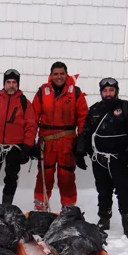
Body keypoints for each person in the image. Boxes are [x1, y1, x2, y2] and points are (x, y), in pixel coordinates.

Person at [75, 77, 128, 240]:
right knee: (103, 190)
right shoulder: (95, 109)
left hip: (120, 158)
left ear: (116, 91)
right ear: (101, 92)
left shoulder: (127, 108)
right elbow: (85, 132)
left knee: (124, 191)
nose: (108, 93)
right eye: (105, 91)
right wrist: (80, 151)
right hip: (100, 159)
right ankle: (104, 219)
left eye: (111, 90)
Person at [31, 61, 89, 211]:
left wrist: (82, 141)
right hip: (47, 142)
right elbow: (32, 118)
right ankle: (41, 207)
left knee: (67, 177)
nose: (59, 77)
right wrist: (30, 142)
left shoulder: (75, 92)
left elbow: (83, 118)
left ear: (66, 74)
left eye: (62, 73)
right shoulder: (42, 92)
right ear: (51, 75)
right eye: (56, 74)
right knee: (44, 176)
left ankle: (68, 209)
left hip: (67, 141)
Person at [0, 69, 37, 207]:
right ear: (4, 84)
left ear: (18, 84)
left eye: (14, 82)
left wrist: (27, 146)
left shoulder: (24, 102)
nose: (11, 85)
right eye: (8, 82)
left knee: (11, 178)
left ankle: (6, 208)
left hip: (15, 147)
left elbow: (31, 125)